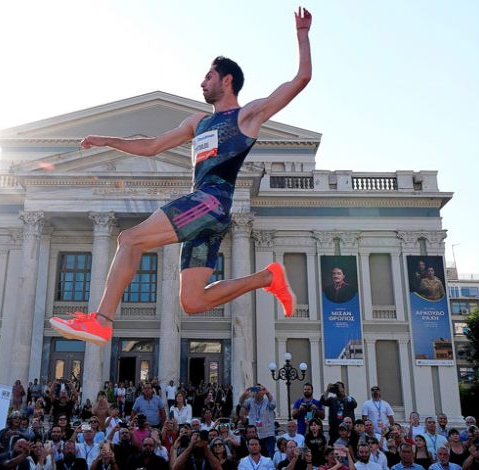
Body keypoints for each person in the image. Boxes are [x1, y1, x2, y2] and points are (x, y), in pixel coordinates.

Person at [49, 7, 313, 346]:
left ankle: (101, 320)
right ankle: (267, 277)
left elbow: (300, 79)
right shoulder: (197, 123)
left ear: (226, 80)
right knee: (193, 301)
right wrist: (108, 140)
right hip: (209, 215)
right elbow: (153, 146)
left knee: (129, 239)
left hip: (210, 202)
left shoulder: (246, 117)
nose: (202, 82)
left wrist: (302, 36)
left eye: (208, 77)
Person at [240, 386, 277, 457]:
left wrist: (268, 393)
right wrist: (244, 394)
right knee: (255, 454)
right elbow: (241, 403)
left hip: (268, 434)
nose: (257, 392)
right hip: (255, 434)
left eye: (260, 390)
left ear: (263, 393)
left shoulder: (267, 401)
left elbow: (273, 404)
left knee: (269, 455)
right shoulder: (250, 401)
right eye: (256, 390)